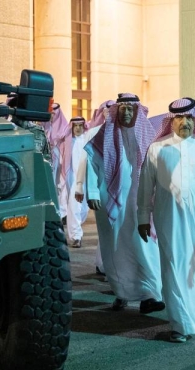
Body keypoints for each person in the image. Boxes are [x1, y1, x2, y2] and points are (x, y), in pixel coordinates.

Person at [137, 97, 195, 343]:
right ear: (171, 120)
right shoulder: (157, 149)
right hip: (169, 220)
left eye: (189, 118)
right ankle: (180, 325)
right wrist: (143, 217)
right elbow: (146, 187)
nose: (184, 122)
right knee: (174, 267)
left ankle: (191, 319)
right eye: (179, 118)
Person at [84, 93, 164, 314]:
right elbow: (91, 163)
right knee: (116, 248)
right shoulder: (103, 135)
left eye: (131, 109)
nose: (127, 113)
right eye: (123, 109)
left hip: (141, 200)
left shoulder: (147, 136)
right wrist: (91, 191)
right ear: (116, 111)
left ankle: (151, 294)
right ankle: (122, 292)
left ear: (137, 112)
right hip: (110, 201)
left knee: (145, 245)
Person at [76, 100, 114, 275]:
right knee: (105, 229)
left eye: (111, 110)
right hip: (101, 187)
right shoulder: (93, 132)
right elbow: (86, 159)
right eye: (104, 110)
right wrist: (80, 186)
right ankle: (103, 264)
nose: (107, 113)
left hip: (121, 190)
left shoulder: (121, 132)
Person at [63, 116, 90, 248]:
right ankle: (76, 236)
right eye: (75, 125)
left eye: (80, 125)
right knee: (74, 207)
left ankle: (77, 231)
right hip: (73, 179)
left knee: (84, 209)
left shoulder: (87, 139)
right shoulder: (67, 142)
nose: (78, 128)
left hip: (87, 179)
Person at [40, 103, 68, 220]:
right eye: (50, 114)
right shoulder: (42, 126)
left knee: (58, 185)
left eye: (53, 114)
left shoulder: (64, 128)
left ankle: (61, 212)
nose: (51, 117)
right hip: (45, 157)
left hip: (59, 159)